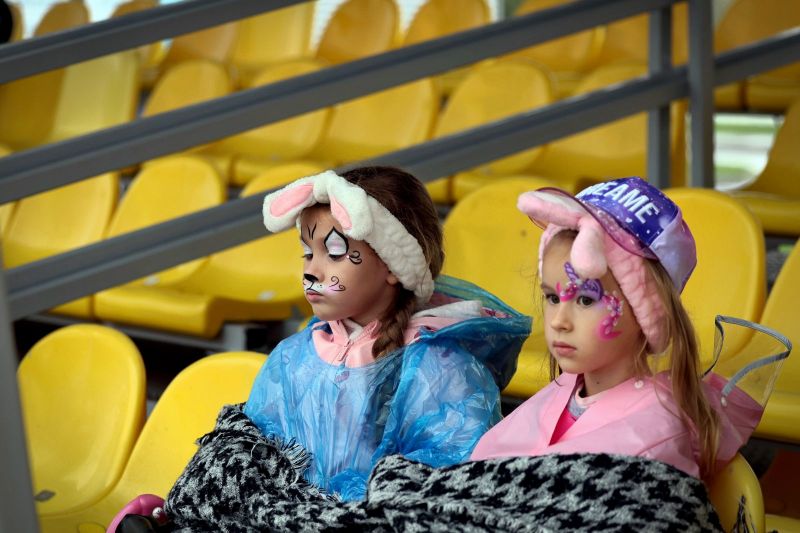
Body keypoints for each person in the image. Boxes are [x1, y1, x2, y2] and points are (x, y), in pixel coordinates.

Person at [470, 176, 787, 481]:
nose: (558, 321)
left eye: (585, 300)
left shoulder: (653, 444)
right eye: (553, 297)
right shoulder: (564, 389)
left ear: (647, 311)